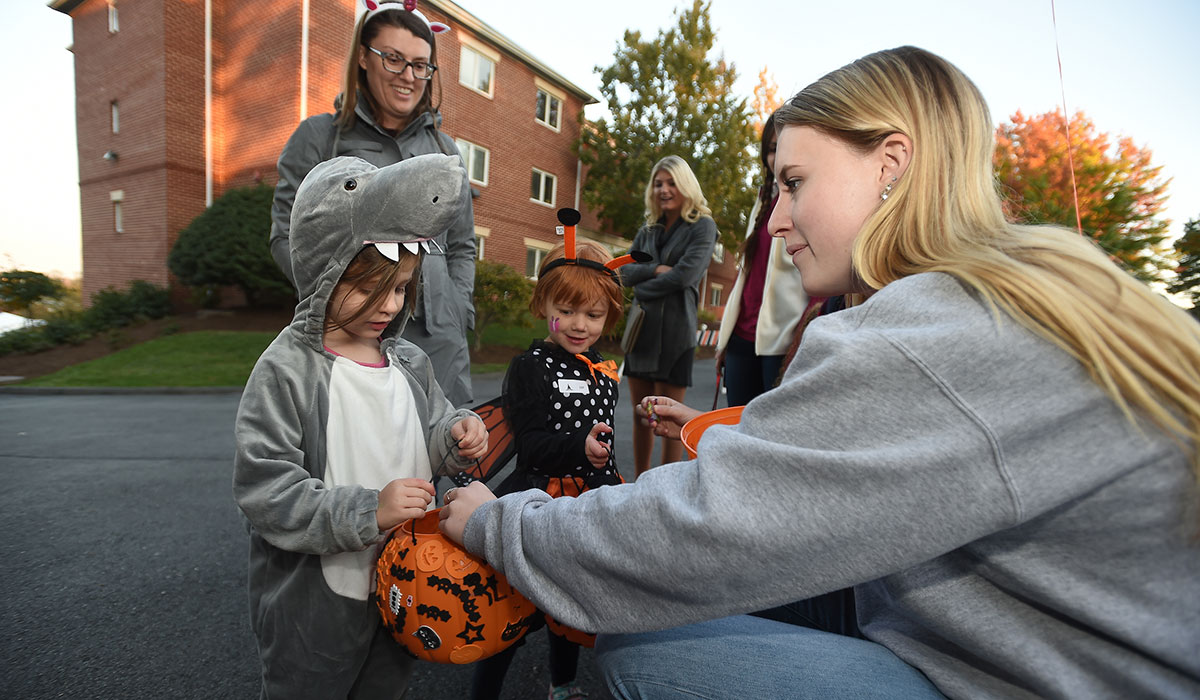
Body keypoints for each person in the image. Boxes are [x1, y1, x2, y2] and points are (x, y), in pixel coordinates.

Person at [437, 45, 1200, 700]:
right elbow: (803, 467)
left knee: (647, 653)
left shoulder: (928, 331)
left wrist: (498, 526)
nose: (774, 219)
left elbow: (713, 523)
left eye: (794, 183)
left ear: (891, 166)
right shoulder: (1004, 287)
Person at [235, 154, 488, 699]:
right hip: (315, 605)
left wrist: (457, 436)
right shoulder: (288, 369)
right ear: (324, 268)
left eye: (399, 288)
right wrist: (367, 510)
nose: (388, 305)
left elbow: (434, 428)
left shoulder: (410, 363)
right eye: (368, 289)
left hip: (403, 584)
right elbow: (265, 488)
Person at [269, 0, 476, 406]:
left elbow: (463, 244)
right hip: (350, 336)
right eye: (394, 59)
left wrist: (458, 308)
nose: (409, 76)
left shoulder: (444, 149)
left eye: (420, 65)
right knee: (355, 455)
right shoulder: (318, 138)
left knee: (437, 453)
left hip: (438, 341)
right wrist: (339, 301)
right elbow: (286, 237)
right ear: (363, 56)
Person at [471, 238, 626, 700]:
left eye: (594, 315)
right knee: (512, 609)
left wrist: (607, 473)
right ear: (544, 304)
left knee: (572, 604)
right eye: (567, 310)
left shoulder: (604, 370)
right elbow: (532, 445)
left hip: (589, 501)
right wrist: (580, 446)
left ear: (609, 317)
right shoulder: (530, 367)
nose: (579, 325)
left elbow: (605, 442)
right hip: (539, 500)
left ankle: (563, 684)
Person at [619, 155, 718, 476]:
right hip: (642, 330)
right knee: (641, 415)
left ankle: (665, 487)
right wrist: (655, 268)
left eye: (672, 182)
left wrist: (643, 287)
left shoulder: (703, 226)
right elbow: (625, 272)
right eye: (659, 183)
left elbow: (685, 277)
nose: (664, 189)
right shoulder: (648, 230)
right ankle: (640, 482)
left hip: (676, 332)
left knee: (668, 417)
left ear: (685, 184)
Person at [714, 112, 808, 406]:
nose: (776, 155)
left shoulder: (811, 195)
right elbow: (747, 272)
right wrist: (726, 337)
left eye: (782, 146)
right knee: (734, 428)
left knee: (773, 434)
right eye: (771, 148)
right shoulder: (763, 197)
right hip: (742, 336)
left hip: (782, 339)